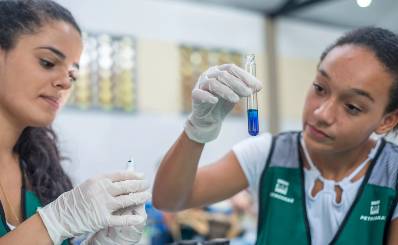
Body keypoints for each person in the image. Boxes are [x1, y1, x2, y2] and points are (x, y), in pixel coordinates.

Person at [153, 26, 398, 244]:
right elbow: (168, 199)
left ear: (387, 120)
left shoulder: (392, 173)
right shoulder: (269, 154)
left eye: (352, 106)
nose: (322, 113)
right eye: (320, 88)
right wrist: (197, 130)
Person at [0, 0, 150, 244]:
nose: (66, 82)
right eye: (48, 62)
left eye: (73, 74)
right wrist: (54, 223)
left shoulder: (39, 166)